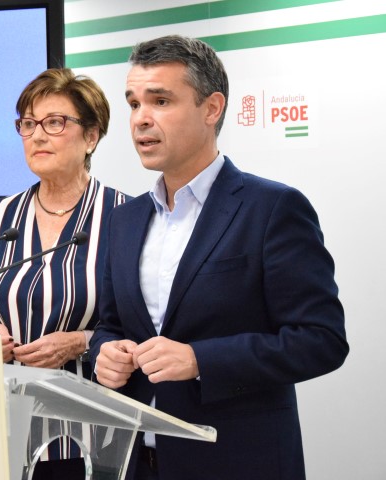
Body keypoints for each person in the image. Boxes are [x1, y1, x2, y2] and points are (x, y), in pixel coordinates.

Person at [91, 35, 349, 480]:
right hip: (137, 463)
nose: (141, 119)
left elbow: (320, 339)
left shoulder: (272, 209)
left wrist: (200, 360)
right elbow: (111, 324)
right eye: (133, 103)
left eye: (160, 101)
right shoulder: (125, 219)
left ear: (211, 108)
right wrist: (104, 352)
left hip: (237, 461)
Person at [0, 68, 130, 478]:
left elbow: (142, 322)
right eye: (28, 124)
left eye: (55, 123)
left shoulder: (125, 216)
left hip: (84, 436)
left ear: (91, 136)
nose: (37, 136)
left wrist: (80, 343)